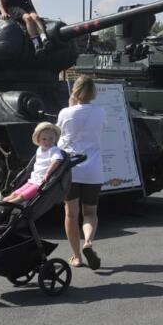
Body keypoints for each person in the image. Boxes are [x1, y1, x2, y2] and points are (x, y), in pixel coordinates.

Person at [58, 76, 107, 270]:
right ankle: (88, 241)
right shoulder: (100, 112)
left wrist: (70, 105)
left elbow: (60, 133)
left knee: (71, 214)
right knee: (90, 213)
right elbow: (101, 129)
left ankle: (77, 256)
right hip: (93, 169)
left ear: (75, 91)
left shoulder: (65, 112)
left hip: (71, 168)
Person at [0, 122, 64, 203]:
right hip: (32, 180)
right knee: (14, 194)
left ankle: (7, 205)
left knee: (21, 197)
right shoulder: (39, 149)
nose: (47, 141)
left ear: (55, 138)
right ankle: (0, 203)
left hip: (41, 183)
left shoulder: (54, 150)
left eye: (51, 138)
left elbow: (56, 160)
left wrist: (48, 172)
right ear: (39, 140)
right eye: (44, 139)